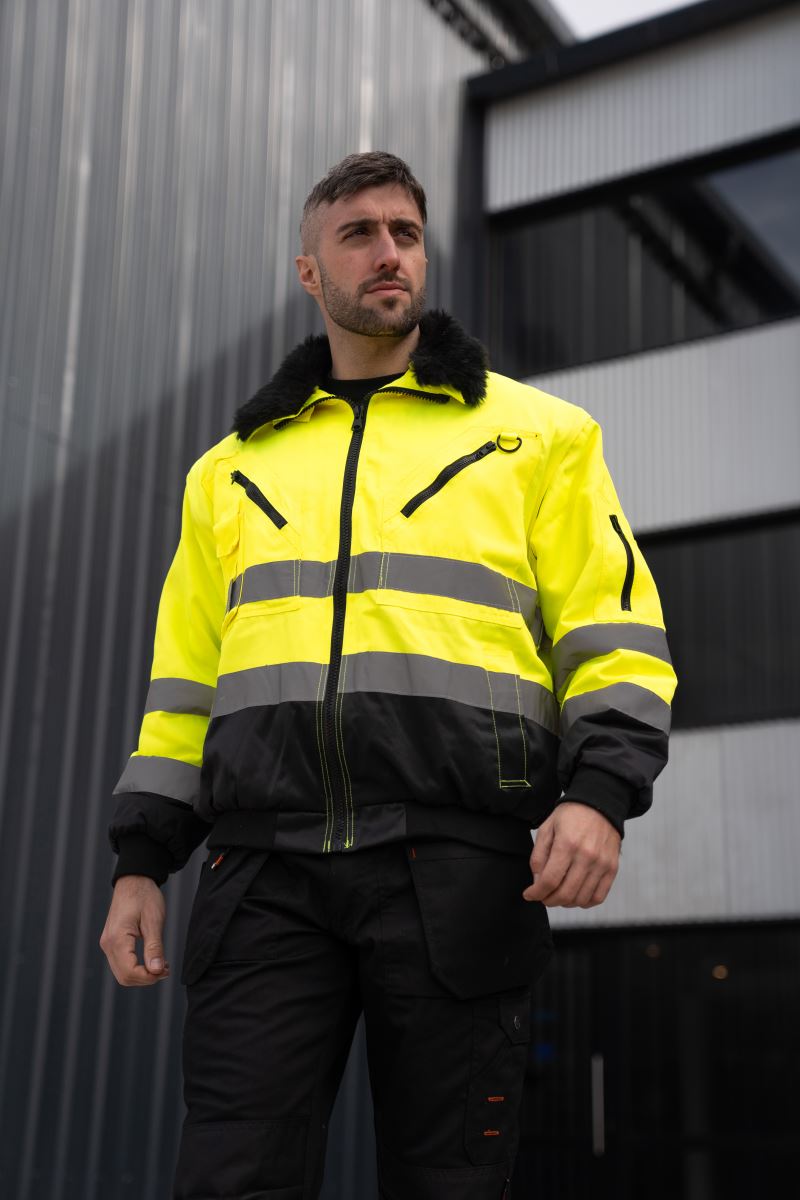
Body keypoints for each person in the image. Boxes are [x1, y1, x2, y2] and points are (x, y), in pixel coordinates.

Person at [100, 151, 676, 1200]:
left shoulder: (539, 437)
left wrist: (600, 794)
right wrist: (141, 860)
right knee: (228, 1177)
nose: (388, 252)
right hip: (263, 873)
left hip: (456, 866)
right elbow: (183, 689)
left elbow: (614, 633)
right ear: (308, 271)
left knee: (450, 1184)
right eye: (358, 233)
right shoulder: (228, 470)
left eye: (405, 233)